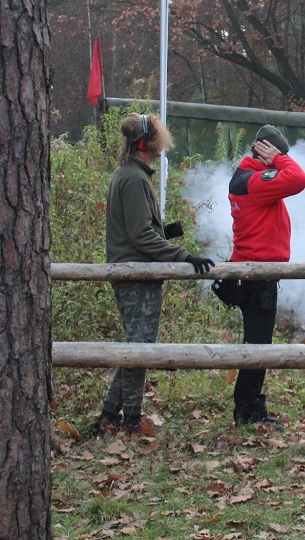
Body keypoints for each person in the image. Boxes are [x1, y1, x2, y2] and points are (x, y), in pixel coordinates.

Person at [95, 113, 216, 436]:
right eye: (158, 138)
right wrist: (183, 256)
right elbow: (140, 237)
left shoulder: (131, 174)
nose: (163, 143)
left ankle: (110, 415)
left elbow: (140, 230)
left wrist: (166, 230)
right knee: (139, 350)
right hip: (136, 275)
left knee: (137, 346)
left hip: (136, 271)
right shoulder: (133, 178)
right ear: (144, 144)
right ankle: (131, 420)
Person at [228, 125, 305, 428]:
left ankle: (249, 406)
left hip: (253, 274)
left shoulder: (245, 178)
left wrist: (275, 160)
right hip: (258, 276)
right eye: (275, 154)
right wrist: (279, 160)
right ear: (265, 152)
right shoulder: (253, 181)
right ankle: (247, 410)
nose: (278, 160)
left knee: (256, 343)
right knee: (258, 347)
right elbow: (299, 178)